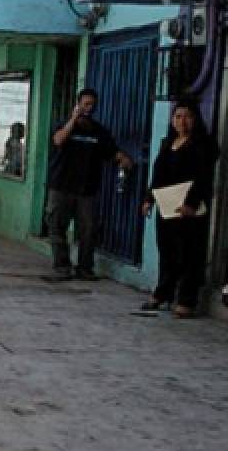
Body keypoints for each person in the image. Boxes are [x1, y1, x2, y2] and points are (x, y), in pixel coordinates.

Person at [139, 100, 219, 317]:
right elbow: (158, 175)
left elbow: (202, 177)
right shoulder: (168, 142)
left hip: (189, 209)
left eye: (187, 116)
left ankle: (186, 300)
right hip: (167, 206)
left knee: (190, 254)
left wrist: (191, 203)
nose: (182, 121)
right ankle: (162, 293)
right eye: (177, 116)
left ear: (196, 119)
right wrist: (149, 199)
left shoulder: (204, 145)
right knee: (167, 252)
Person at [45, 88, 134, 281]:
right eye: (85, 104)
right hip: (61, 186)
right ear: (77, 104)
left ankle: (85, 268)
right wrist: (73, 120)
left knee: (88, 229)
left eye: (92, 105)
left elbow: (110, 151)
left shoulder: (99, 131)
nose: (88, 108)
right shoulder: (62, 125)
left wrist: (123, 158)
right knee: (57, 227)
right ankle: (62, 267)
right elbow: (59, 140)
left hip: (87, 189)